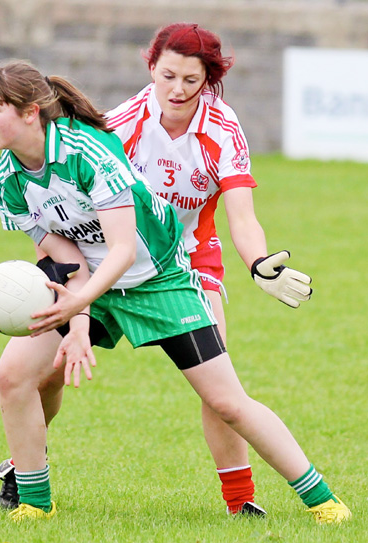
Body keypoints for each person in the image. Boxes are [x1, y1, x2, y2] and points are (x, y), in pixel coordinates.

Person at [0, 60, 350, 525]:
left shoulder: (86, 153)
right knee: (14, 374)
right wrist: (77, 322)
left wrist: (78, 308)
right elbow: (66, 257)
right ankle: (34, 503)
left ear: (31, 112)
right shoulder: (5, 181)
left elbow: (123, 249)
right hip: (88, 281)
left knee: (226, 402)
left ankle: (323, 501)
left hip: (159, 279)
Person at [106, 22, 313, 514]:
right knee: (44, 368)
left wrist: (260, 264)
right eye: (167, 75)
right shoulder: (120, 125)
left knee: (219, 387)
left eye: (191, 81)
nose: (176, 90)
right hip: (114, 258)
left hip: (190, 260)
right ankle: (23, 464)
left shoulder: (222, 127)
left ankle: (240, 503)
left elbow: (242, 216)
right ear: (151, 67)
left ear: (209, 80)